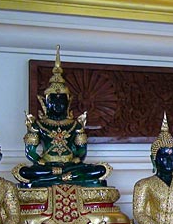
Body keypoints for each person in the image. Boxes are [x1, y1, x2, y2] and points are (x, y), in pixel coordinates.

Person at [16, 46, 107, 187]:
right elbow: (30, 152)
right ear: (46, 102)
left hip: (71, 166)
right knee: (24, 172)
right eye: (54, 101)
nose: (58, 105)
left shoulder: (75, 125)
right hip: (47, 166)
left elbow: (82, 150)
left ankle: (61, 177)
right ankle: (63, 177)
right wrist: (41, 162)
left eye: (61, 101)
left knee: (99, 170)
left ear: (68, 102)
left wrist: (77, 159)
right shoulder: (38, 125)